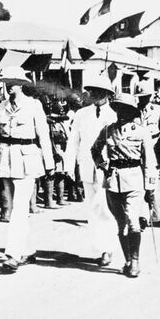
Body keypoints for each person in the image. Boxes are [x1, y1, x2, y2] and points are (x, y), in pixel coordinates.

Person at [0, 66, 54, 272]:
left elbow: (44, 134)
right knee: (14, 207)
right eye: (6, 82)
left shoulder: (33, 105)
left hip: (27, 158)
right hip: (6, 160)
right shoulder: (1, 106)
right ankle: (26, 250)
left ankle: (12, 254)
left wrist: (49, 163)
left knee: (19, 207)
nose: (9, 86)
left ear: (21, 84)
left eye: (13, 82)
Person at [91, 93, 157, 278]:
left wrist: (150, 186)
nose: (121, 113)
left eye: (125, 110)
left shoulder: (141, 132)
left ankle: (135, 261)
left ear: (132, 112)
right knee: (120, 224)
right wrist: (102, 164)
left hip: (134, 180)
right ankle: (128, 261)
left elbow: (150, 161)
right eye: (118, 109)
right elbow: (95, 149)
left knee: (132, 221)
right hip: (113, 181)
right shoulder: (108, 130)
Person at [64, 75, 117, 267]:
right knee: (92, 209)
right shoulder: (82, 114)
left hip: (107, 168)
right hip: (86, 166)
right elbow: (73, 141)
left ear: (107, 94)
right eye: (93, 91)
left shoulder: (114, 114)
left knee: (105, 208)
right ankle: (101, 247)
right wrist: (69, 165)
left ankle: (108, 248)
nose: (95, 94)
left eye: (99, 91)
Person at [135, 80, 160, 225]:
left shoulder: (158, 110)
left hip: (154, 148)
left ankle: (153, 215)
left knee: (151, 182)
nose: (143, 99)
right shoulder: (134, 110)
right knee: (140, 183)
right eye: (141, 97)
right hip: (138, 150)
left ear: (150, 96)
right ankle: (144, 215)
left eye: (145, 96)